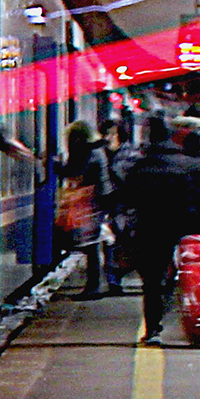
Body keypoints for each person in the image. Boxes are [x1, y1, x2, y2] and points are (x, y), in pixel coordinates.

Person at [112, 117, 200, 346]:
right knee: (178, 277)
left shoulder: (140, 167)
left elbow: (126, 199)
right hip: (178, 230)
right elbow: (195, 201)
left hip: (148, 230)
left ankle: (153, 328)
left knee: (151, 282)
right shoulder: (183, 165)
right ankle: (187, 320)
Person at [59, 120, 117, 293]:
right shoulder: (96, 149)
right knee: (97, 243)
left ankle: (94, 287)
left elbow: (76, 173)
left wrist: (56, 165)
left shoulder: (88, 152)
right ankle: (105, 284)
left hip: (92, 201)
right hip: (100, 199)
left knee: (92, 245)